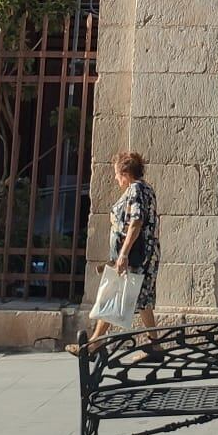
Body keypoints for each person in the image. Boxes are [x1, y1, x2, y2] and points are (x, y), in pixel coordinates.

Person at [70, 151, 159, 356]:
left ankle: (94, 343)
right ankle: (154, 345)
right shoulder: (145, 189)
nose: (115, 178)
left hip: (136, 258)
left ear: (126, 173)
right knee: (142, 299)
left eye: (117, 174)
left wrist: (123, 255)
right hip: (143, 256)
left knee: (113, 294)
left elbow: (136, 222)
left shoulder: (136, 190)